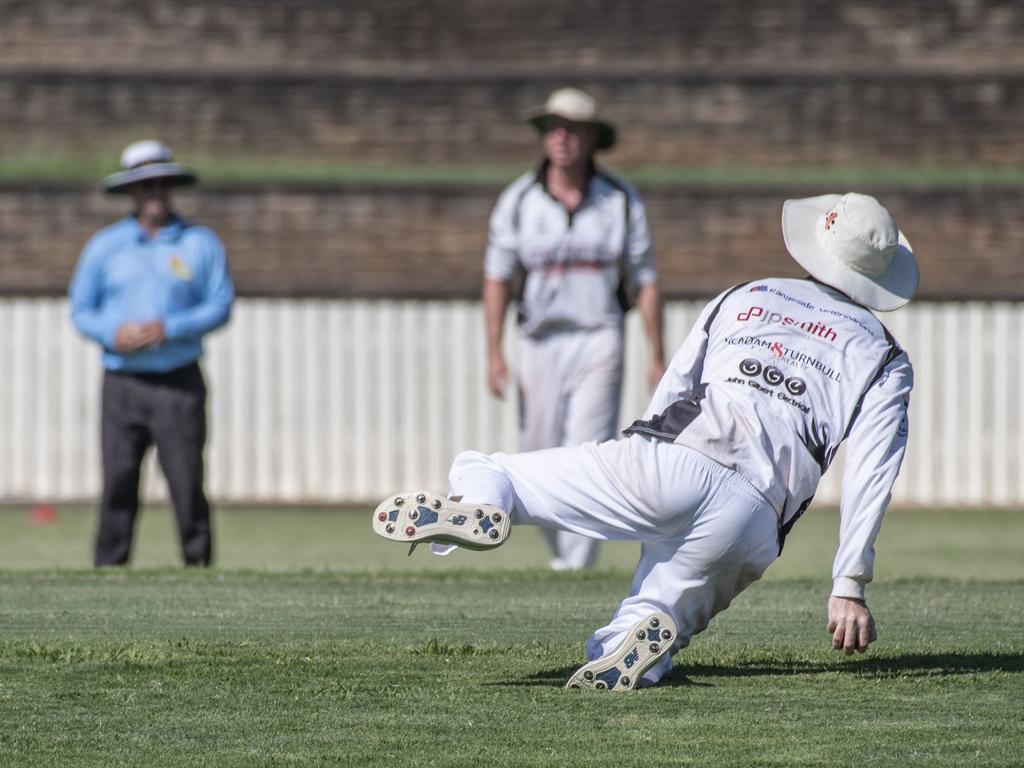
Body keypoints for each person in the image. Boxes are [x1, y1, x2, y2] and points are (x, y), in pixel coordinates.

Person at [374, 192, 917, 691]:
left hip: (672, 459)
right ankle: (638, 642)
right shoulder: (885, 360)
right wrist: (848, 582)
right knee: (658, 617)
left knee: (495, 469)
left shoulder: (747, 294)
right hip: (753, 513)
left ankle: (485, 503)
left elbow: (675, 388)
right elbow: (872, 473)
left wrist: (637, 461)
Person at [483, 87, 666, 571]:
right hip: (539, 341)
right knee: (536, 457)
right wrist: (494, 352)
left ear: (590, 139)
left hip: (599, 338)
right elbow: (497, 278)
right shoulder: (519, 201)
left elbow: (644, 280)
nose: (560, 138)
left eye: (571, 130)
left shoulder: (620, 201)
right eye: (552, 129)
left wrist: (656, 355)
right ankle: (563, 556)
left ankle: (577, 566)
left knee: (587, 456)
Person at [69, 140, 235, 566]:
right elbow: (81, 310)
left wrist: (170, 329)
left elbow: (219, 305)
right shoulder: (106, 247)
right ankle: (108, 570)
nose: (155, 193)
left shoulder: (199, 243)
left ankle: (198, 569)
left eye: (162, 184)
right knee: (118, 480)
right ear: (131, 193)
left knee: (186, 480)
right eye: (145, 186)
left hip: (178, 380)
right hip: (122, 381)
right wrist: (112, 333)